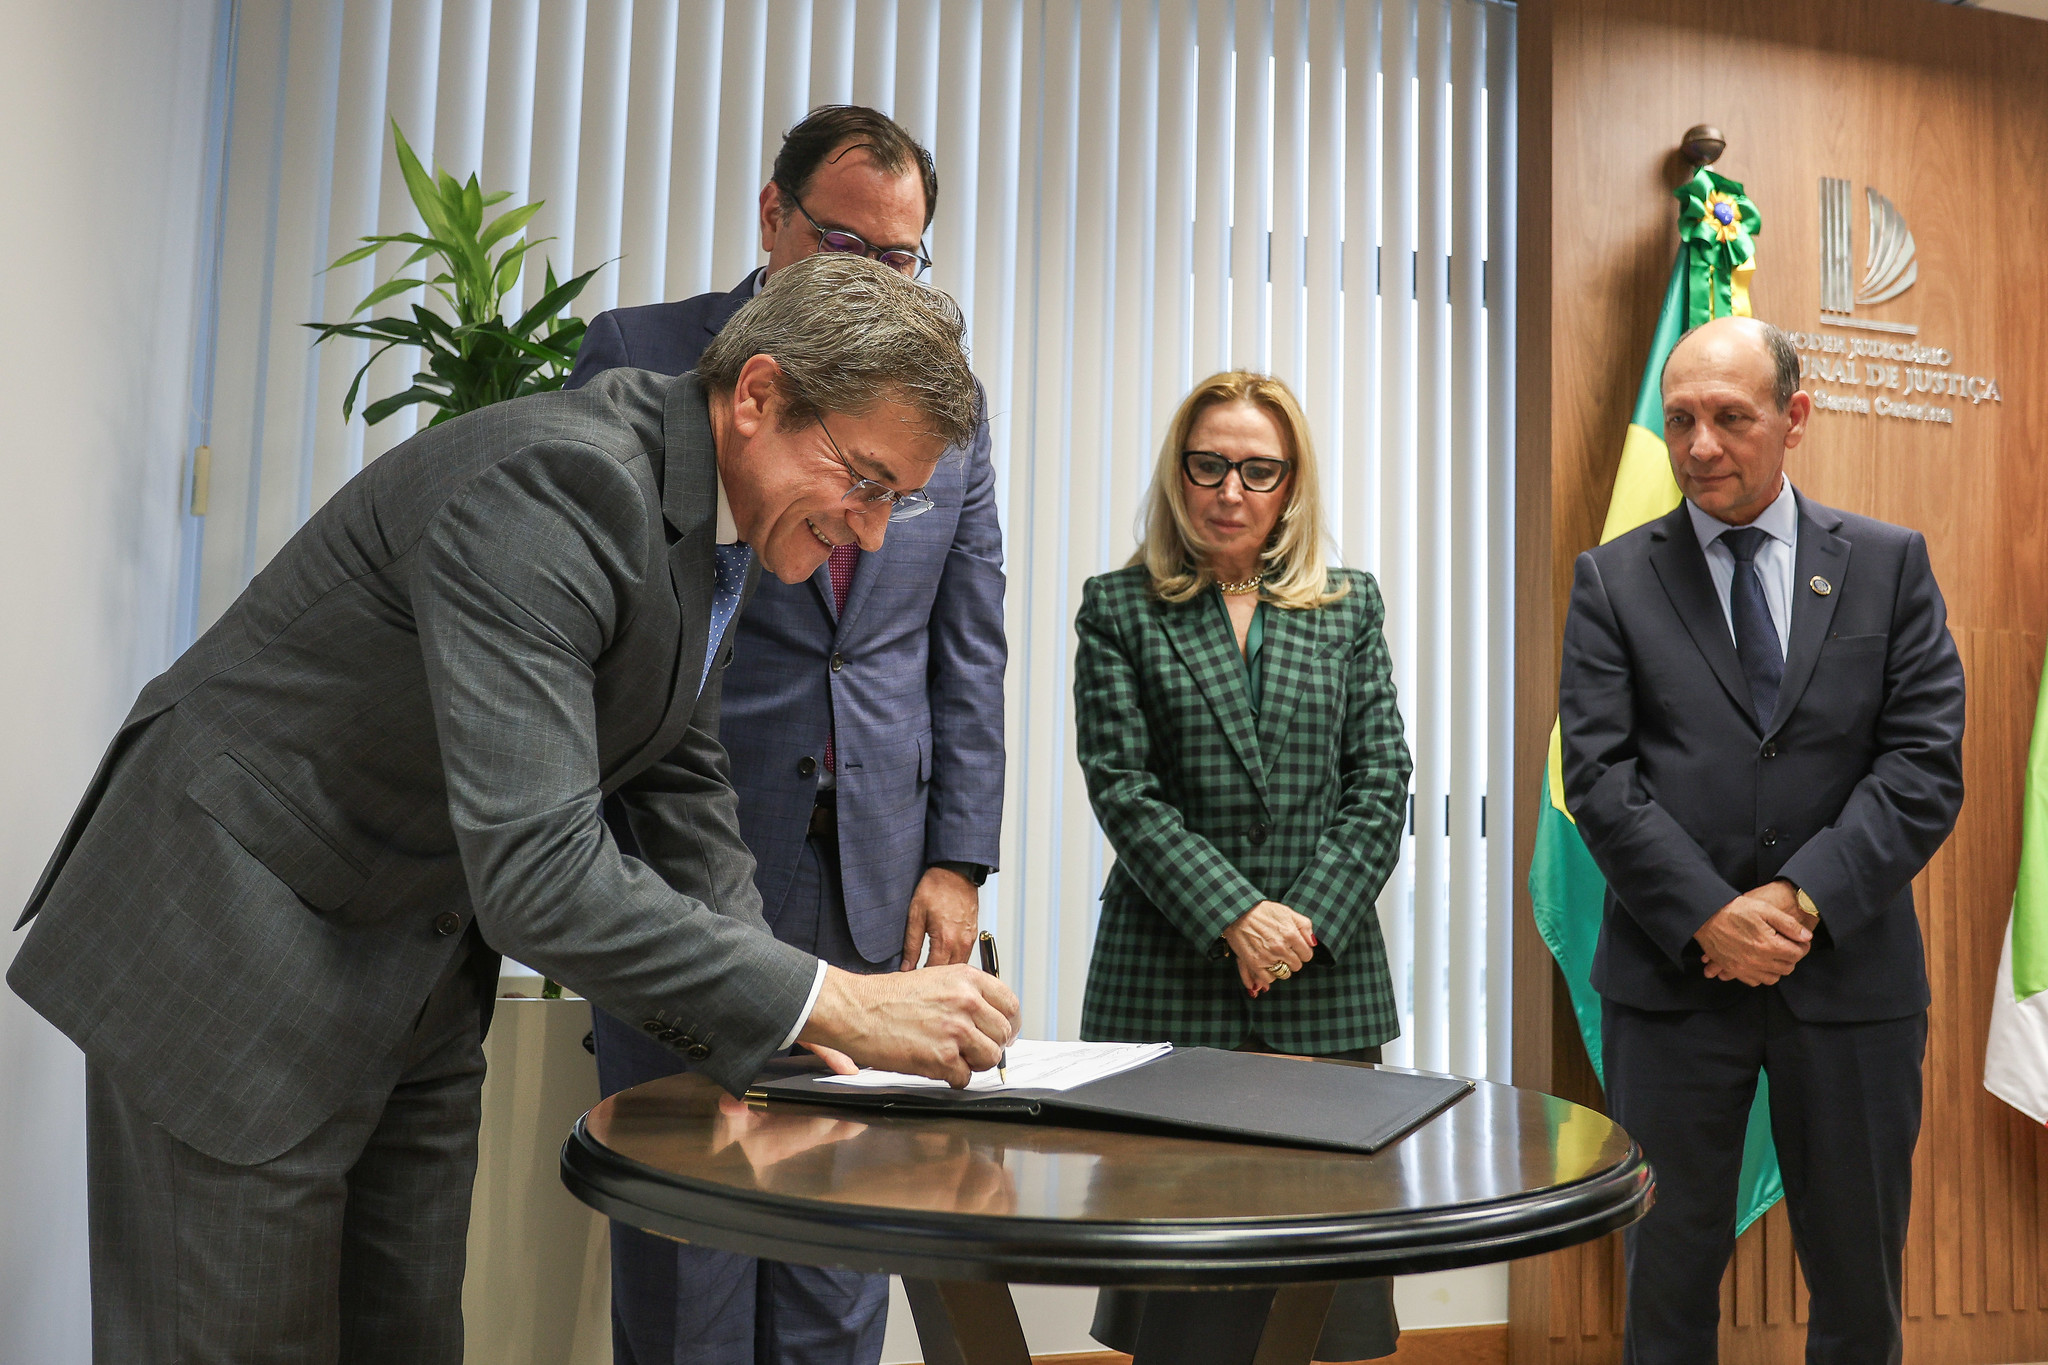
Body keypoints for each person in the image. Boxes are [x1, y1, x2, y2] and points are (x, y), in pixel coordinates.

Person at [5, 253, 1020, 1365]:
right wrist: (833, 1002)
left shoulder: (702, 528)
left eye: (899, 501)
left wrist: (772, 1043)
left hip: (405, 964)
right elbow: (542, 875)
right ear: (757, 396)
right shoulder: (563, 485)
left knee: (405, 1339)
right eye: (865, 483)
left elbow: (677, 776)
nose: (872, 532)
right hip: (230, 949)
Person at [568, 104, 1006, 1365]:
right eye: (845, 247)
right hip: (686, 860)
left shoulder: (944, 409)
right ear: (772, 217)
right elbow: (608, 629)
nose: (877, 282)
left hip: (870, 863)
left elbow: (964, 642)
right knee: (688, 1232)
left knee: (842, 1236)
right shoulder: (646, 355)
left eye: (902, 260)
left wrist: (956, 858)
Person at [1558, 315, 1965, 1363]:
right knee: (1666, 1274)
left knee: (1855, 1273)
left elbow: (1921, 765)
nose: (1698, 446)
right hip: (1670, 983)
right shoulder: (1610, 580)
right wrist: (1707, 914)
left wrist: (1794, 901)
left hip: (1849, 982)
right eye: (1679, 419)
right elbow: (1598, 778)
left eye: (1728, 418)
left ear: (1792, 418)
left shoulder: (1886, 563)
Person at [1071, 372, 1412, 1363]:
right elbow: (1122, 792)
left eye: (1256, 469)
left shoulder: (1346, 607)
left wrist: (1298, 922)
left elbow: (1379, 778)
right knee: (1184, 1298)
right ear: (1178, 475)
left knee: (1312, 1293)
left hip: (1322, 980)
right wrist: (1235, 916)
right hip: (1167, 982)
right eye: (1208, 464)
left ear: (1288, 483)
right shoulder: (1119, 608)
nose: (1230, 489)